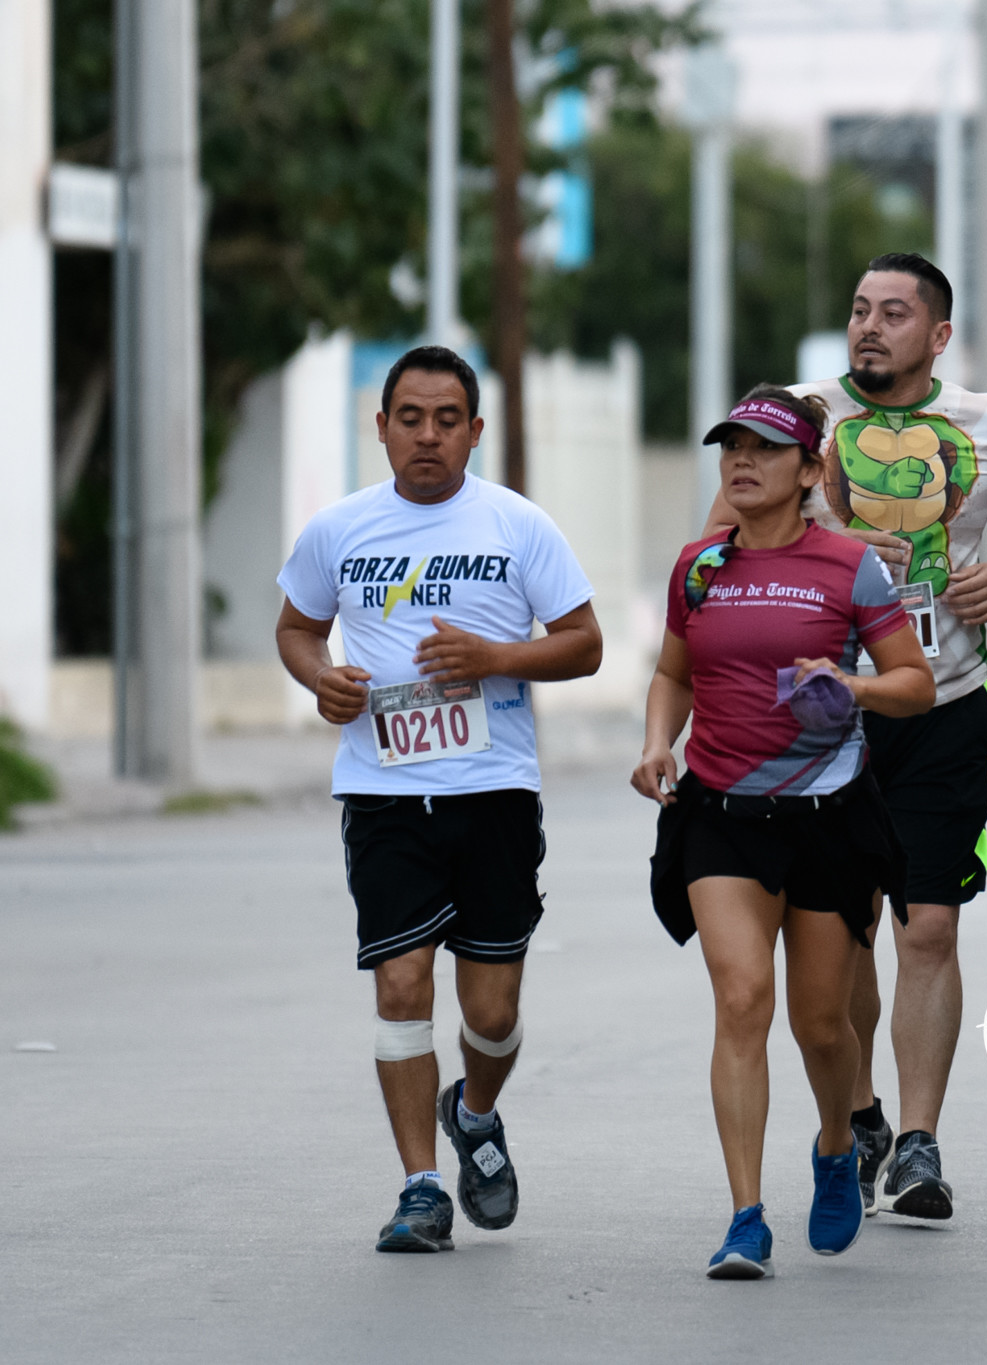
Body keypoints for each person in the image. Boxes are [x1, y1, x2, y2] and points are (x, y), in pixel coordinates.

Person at [702, 252, 987, 1222]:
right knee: (845, 931)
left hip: (941, 706)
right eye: (860, 309)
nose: (869, 327)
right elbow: (714, 547)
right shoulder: (797, 420)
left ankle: (917, 1142)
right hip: (825, 721)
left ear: (936, 335)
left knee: (929, 924)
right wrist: (830, 547)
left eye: (893, 313)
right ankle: (857, 1109)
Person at [274, 345, 604, 1253]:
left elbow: (584, 643)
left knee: (490, 1013)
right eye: (409, 418)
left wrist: (495, 656)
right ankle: (421, 1187)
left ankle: (478, 1109)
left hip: (493, 789)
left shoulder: (517, 525)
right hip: (382, 791)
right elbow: (298, 626)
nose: (427, 435)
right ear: (380, 427)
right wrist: (320, 679)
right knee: (401, 981)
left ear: (474, 430)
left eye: (447, 419)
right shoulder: (338, 529)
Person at [635, 386, 936, 1279]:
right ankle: (745, 1216)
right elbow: (670, 672)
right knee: (740, 1001)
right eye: (732, 444)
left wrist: (853, 688)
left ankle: (837, 1143)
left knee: (821, 1024)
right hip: (722, 813)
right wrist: (658, 740)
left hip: (829, 816)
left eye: (766, 449)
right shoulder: (698, 567)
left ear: (809, 471)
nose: (742, 460)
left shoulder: (849, 566)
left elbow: (913, 682)